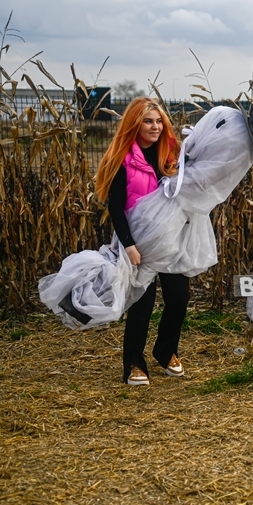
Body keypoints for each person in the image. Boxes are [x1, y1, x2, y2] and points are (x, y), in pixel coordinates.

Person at [94, 98, 188, 386]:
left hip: (169, 240)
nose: (155, 127)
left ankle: (165, 350)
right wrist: (129, 245)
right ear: (135, 123)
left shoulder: (171, 155)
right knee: (141, 303)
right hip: (138, 243)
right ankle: (134, 363)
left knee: (179, 297)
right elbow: (116, 206)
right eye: (148, 121)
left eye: (159, 121)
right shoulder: (121, 159)